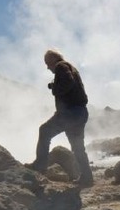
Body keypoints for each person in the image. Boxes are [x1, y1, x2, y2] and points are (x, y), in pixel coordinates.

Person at [29, 49, 94, 188]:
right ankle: (87, 178)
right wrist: (55, 85)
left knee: (44, 131)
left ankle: (39, 167)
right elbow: (71, 83)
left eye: (47, 63)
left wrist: (55, 89)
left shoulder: (61, 66)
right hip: (80, 112)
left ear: (53, 59)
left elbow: (68, 82)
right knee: (78, 147)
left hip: (69, 113)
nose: (47, 67)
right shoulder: (71, 67)